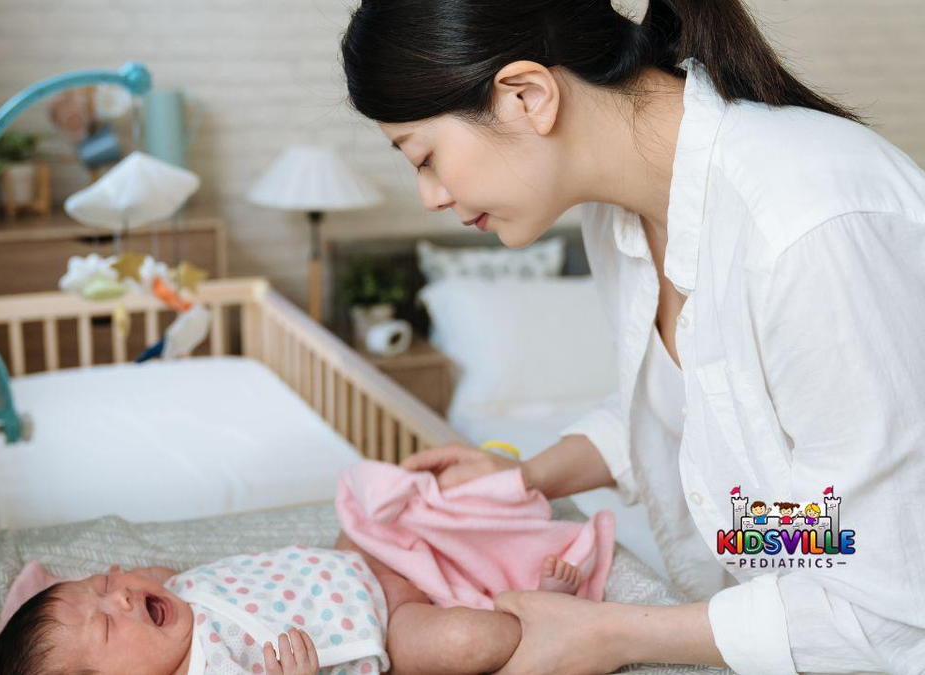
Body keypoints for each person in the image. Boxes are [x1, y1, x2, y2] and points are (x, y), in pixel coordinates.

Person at [341, 0, 925, 673]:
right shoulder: (623, 212)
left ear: (527, 96)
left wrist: (610, 632)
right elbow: (701, 406)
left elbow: (896, 601)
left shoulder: (806, 229)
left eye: (424, 156)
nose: (431, 196)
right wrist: (526, 476)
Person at [0, 535, 586, 674]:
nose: (119, 595)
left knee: (371, 491)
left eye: (102, 585)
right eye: (108, 625)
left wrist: (46, 599)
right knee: (469, 643)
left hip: (344, 558)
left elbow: (134, 580)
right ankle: (534, 611)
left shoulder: (169, 591)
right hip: (386, 628)